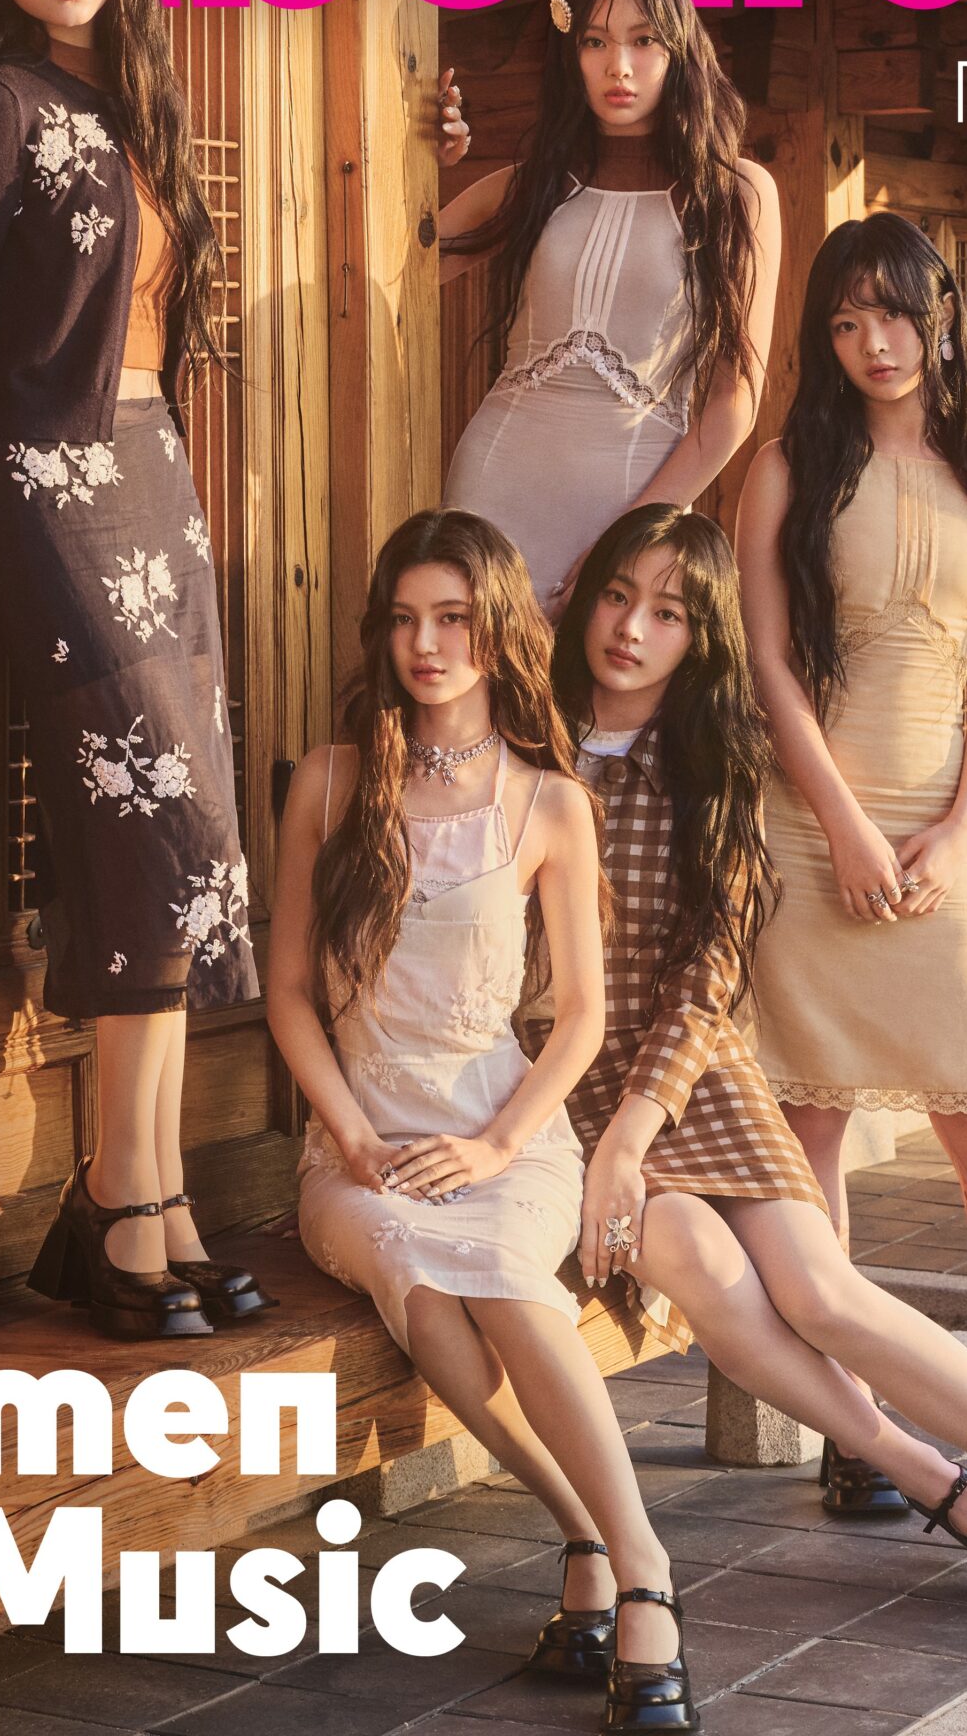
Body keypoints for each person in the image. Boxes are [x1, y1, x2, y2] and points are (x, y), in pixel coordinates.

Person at [547, 503, 967, 1635]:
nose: (630, 629)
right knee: (699, 1258)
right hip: (559, 1091)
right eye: (617, 597)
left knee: (820, 1291)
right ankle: (942, 1482)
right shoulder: (531, 745)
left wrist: (637, 1126)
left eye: (667, 612)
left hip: (685, 1076)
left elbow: (707, 975)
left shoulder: (714, 762)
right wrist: (604, 1139)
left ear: (700, 637)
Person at [0, 0, 271, 1339]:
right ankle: (117, 1197)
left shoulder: (133, 106)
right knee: (151, 823)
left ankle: (149, 1192)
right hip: (49, 494)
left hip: (156, 479)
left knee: (187, 843)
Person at [268, 509, 697, 1734]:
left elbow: (580, 1019)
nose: (425, 643)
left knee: (506, 1274)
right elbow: (288, 992)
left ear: (497, 629)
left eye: (452, 618)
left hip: (503, 1133)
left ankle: (637, 1565)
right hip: (358, 1147)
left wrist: (498, 1144)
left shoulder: (549, 802)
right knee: (413, 1269)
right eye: (405, 619)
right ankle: (589, 1533)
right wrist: (352, 1134)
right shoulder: (330, 781)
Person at [736, 211, 967, 1504]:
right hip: (808, 826)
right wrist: (838, 823)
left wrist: (961, 825)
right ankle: (854, 1422)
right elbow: (765, 661)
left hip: (941, 834)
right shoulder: (786, 467)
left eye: (892, 312)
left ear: (941, 316)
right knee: (809, 1127)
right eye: (844, 321)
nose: (873, 342)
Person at [436, 0, 779, 616]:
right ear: (572, 55)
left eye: (643, 41)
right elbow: (401, 266)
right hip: (494, 490)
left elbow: (732, 404)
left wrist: (628, 539)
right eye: (595, 41)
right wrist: (427, 159)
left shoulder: (735, 194)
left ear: (678, 49)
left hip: (633, 508)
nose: (618, 66)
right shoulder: (534, 185)